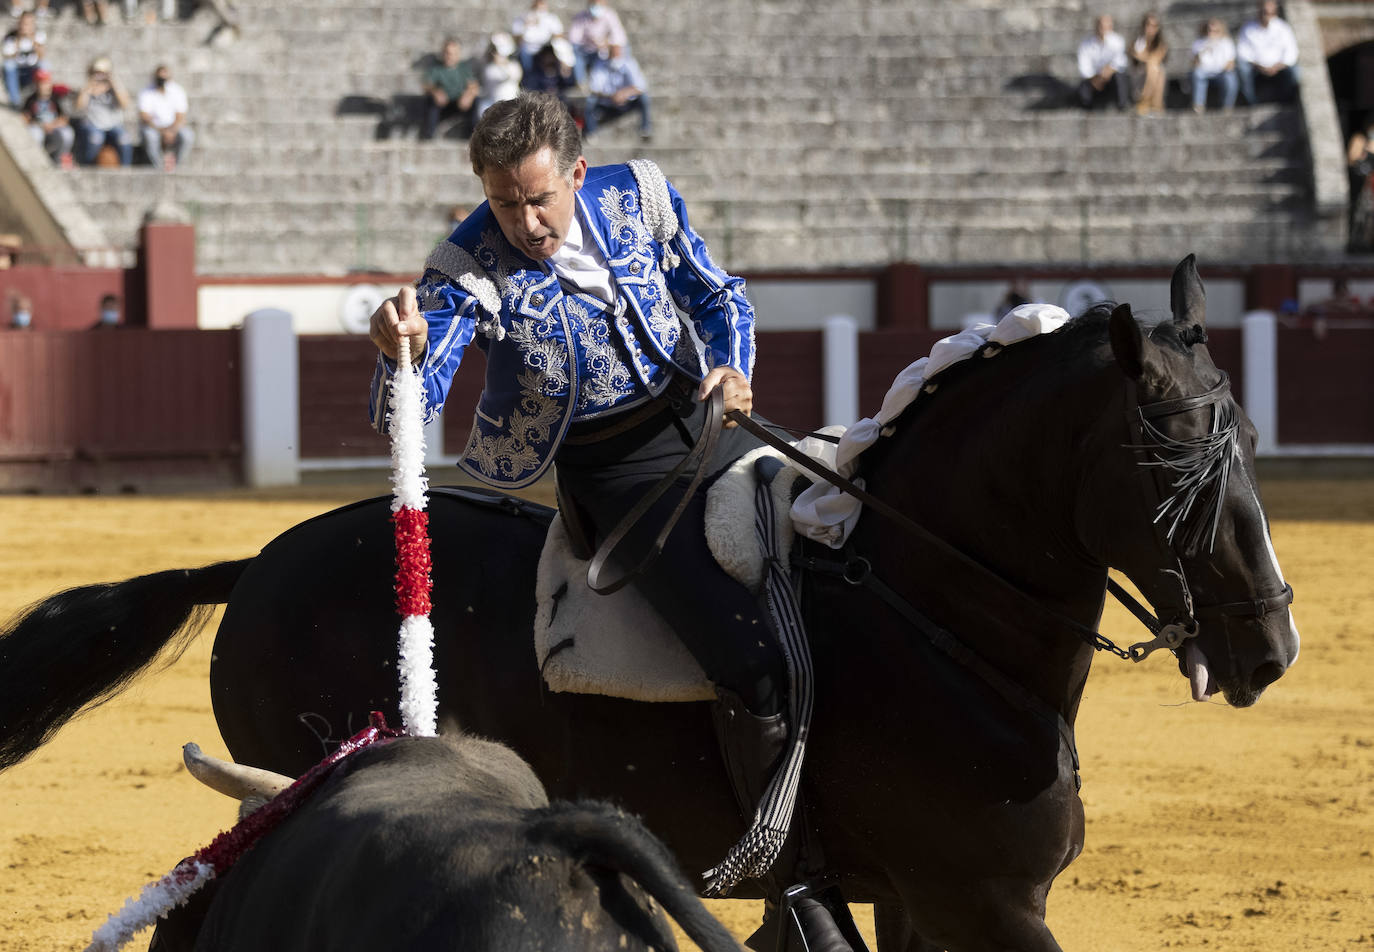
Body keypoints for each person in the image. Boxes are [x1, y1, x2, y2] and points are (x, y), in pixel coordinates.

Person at [365, 93, 848, 942]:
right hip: (617, 476)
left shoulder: (640, 193)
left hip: (707, 425)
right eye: (505, 204)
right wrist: (399, 354)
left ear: (577, 175)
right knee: (753, 661)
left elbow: (716, 293)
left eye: (540, 198)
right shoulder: (468, 265)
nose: (526, 223)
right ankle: (795, 885)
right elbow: (420, 378)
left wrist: (733, 372)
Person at [1236, 0, 1299, 105]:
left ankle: (1288, 101)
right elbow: (1243, 53)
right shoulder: (1247, 28)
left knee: (1295, 72)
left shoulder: (1283, 28)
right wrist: (1259, 66)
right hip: (1256, 67)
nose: (1267, 15)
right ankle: (1252, 103)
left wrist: (1277, 67)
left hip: (1279, 67)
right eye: (1264, 12)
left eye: (1270, 13)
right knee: (1242, 70)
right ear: (1259, 11)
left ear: (1275, 12)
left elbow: (1292, 52)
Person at [583, 41, 650, 139]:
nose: (615, 54)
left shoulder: (629, 63)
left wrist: (624, 94)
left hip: (628, 101)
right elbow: (595, 88)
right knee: (590, 101)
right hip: (607, 102)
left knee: (644, 98)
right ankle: (591, 132)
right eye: (613, 51)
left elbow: (641, 86)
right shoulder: (600, 65)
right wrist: (612, 96)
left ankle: (645, 129)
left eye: (617, 51)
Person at [74, 55, 132, 165]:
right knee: (95, 138)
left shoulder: (115, 88)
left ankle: (126, 169)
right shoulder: (87, 88)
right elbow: (79, 106)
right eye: (97, 72)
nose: (100, 75)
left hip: (113, 125)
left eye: (103, 72)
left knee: (124, 139)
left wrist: (113, 83)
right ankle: (86, 166)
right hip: (93, 125)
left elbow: (125, 104)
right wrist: (89, 86)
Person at [137, 63, 193, 169]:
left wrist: (171, 131)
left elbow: (180, 115)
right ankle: (158, 167)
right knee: (150, 136)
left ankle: (176, 167)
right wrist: (162, 131)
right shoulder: (146, 92)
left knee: (187, 136)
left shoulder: (177, 90)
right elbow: (145, 116)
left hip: (173, 128)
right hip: (155, 128)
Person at [421, 37, 478, 140]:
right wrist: (435, 92)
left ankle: (472, 136)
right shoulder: (436, 68)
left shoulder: (464, 68)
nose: (449, 56)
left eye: (453, 53)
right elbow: (426, 85)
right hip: (442, 104)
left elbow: (473, 86)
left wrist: (468, 96)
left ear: (458, 54)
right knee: (430, 102)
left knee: (475, 102)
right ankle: (428, 135)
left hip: (460, 104)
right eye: (447, 53)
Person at [567, 1, 627, 87]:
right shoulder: (581, 16)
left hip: (603, 51)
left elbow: (619, 37)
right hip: (586, 51)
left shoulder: (610, 15)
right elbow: (574, 38)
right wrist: (589, 41)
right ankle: (580, 81)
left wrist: (605, 43)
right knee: (575, 54)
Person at [21, 67, 73, 166]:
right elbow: (25, 118)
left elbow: (64, 118)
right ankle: (37, 160)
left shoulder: (55, 97)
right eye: (41, 83)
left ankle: (60, 159)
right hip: (38, 127)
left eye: (46, 82)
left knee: (67, 133)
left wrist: (52, 125)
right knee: (35, 133)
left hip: (54, 127)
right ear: (36, 84)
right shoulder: (30, 99)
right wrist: (41, 125)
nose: (43, 86)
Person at [1076, 15, 1129, 111]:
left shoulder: (1118, 41)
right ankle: (1087, 108)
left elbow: (1121, 62)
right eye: (1101, 26)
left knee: (1120, 78)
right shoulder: (1086, 44)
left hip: (1111, 78)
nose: (1104, 29)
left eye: (1107, 26)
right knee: (1084, 87)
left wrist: (1109, 70)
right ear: (1096, 26)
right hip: (1094, 80)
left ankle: (1122, 107)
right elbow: (1084, 68)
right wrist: (1095, 78)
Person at [1190, 18, 1238, 113]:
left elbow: (1231, 64)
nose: (1211, 33)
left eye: (1215, 31)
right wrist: (1202, 52)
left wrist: (1220, 68)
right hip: (1204, 72)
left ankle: (1227, 107)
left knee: (1231, 78)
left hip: (1221, 73)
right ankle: (1198, 106)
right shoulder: (1199, 43)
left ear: (1221, 31)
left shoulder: (1227, 43)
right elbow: (1194, 64)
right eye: (1209, 30)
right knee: (1197, 74)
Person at [2, 11, 46, 108]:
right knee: (8, 65)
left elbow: (41, 55)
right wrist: (18, 40)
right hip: (17, 69)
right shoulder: (11, 36)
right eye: (23, 23)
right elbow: (8, 57)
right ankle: (15, 102)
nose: (25, 26)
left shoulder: (39, 35)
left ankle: (43, 98)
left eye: (29, 23)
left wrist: (32, 39)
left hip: (32, 69)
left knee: (44, 65)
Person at [474, 32, 521, 121]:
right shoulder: (489, 67)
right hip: (491, 104)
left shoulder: (514, 66)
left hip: (511, 105)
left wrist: (503, 64)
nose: (494, 53)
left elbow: (510, 76)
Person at [1128, 11, 1168, 116]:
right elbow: (1135, 57)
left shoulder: (1161, 44)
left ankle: (1145, 102)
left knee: (1156, 69)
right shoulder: (1137, 42)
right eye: (1148, 25)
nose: (1151, 28)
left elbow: (1156, 57)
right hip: (1139, 75)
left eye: (1154, 26)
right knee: (1154, 68)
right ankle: (1155, 105)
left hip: (1154, 74)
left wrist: (1145, 58)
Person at [510, 0, 563, 78]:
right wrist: (525, 25)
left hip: (546, 47)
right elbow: (517, 37)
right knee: (524, 55)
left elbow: (559, 34)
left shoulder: (551, 18)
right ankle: (528, 77)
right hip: (528, 47)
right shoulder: (523, 18)